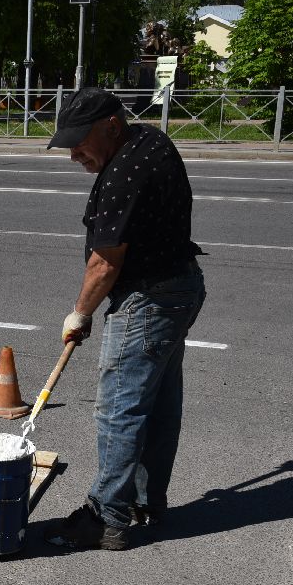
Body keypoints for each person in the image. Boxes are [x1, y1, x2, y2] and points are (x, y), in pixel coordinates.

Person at [44, 87, 207, 551]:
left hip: (148, 300)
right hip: (180, 286)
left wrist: (80, 313)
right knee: (156, 404)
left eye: (79, 141)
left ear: (111, 125)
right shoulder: (151, 141)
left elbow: (104, 263)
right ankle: (144, 502)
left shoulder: (124, 175)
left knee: (120, 409)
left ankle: (108, 518)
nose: (74, 153)